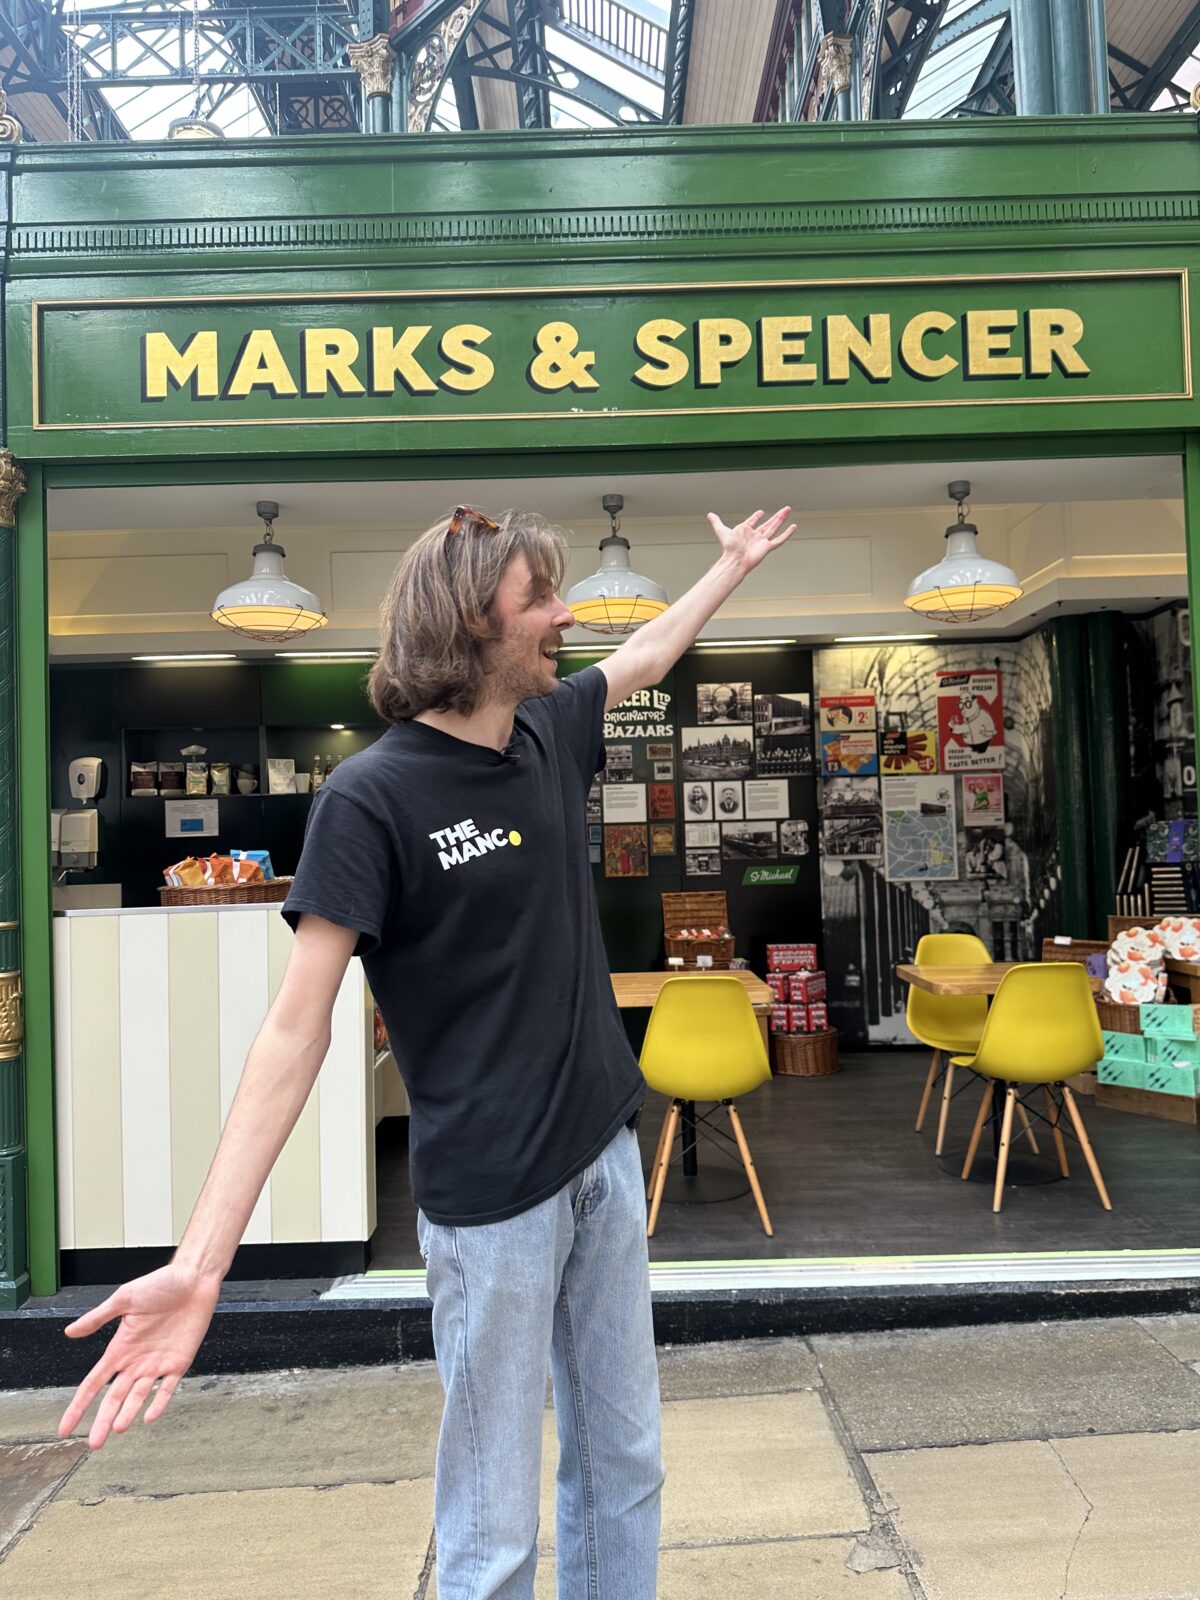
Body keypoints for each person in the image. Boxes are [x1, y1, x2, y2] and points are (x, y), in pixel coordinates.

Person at [55, 500, 795, 1600]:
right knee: (492, 1527)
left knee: (625, 1468)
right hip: (492, 1207)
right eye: (538, 600)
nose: (566, 615)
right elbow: (295, 1029)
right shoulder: (373, 797)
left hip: (602, 1155)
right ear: (467, 627)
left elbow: (645, 651)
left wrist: (728, 569)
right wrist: (205, 1259)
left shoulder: (549, 731)